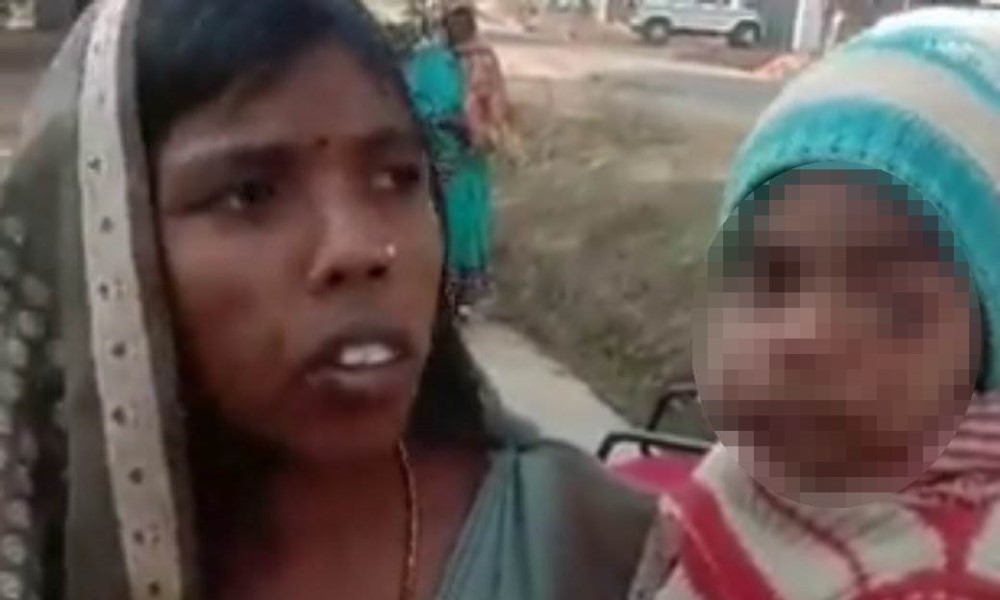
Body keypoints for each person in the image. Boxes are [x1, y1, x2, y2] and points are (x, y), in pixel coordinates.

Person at [0, 0, 656, 597]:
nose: (360, 249)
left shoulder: (589, 553)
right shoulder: (38, 556)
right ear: (105, 247)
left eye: (395, 178)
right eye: (251, 194)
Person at [630, 10, 1000, 599]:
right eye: (770, 279)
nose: (804, 336)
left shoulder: (948, 577)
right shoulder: (755, 470)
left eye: (892, 306)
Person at [405, 4, 509, 320]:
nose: (460, 28)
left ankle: (466, 291)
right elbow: (414, 104)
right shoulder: (428, 61)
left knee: (471, 222)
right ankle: (445, 293)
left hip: (471, 156)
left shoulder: (483, 58)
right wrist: (445, 122)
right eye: (454, 22)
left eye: (465, 22)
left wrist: (481, 129)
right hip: (442, 155)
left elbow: (498, 105)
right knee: (444, 221)